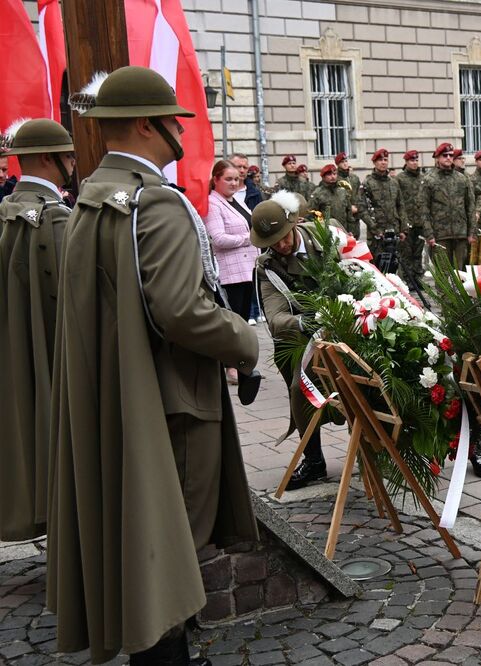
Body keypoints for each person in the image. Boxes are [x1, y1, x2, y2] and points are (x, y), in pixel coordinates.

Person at [48, 65, 259, 664]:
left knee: (142, 540)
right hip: (175, 400)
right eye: (172, 121)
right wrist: (244, 341)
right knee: (173, 549)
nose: (180, 131)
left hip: (126, 394)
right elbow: (181, 311)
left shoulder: (95, 196)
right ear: (146, 124)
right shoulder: (155, 202)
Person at [0, 118, 75, 541]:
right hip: (51, 350)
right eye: (67, 156)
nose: (71, 163)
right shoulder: (54, 218)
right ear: (49, 158)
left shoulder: (7, 211)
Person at [252, 192, 342, 490]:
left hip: (345, 322)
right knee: (300, 391)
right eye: (272, 242)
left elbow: (358, 269)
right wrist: (304, 321)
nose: (280, 245)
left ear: (294, 223)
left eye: (283, 237)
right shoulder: (268, 266)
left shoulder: (326, 237)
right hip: (301, 337)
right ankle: (314, 461)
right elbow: (274, 317)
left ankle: (377, 446)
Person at [204, 158, 259, 386]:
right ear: (216, 180)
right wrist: (250, 239)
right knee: (233, 321)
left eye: (237, 179)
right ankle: (230, 366)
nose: (234, 183)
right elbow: (218, 239)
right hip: (229, 272)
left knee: (243, 320)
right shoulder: (213, 203)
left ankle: (241, 363)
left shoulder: (236, 201)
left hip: (247, 269)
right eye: (228, 179)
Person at [421, 142, 477, 268]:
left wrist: (471, 232)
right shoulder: (429, 179)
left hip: (460, 232)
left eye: (450, 155)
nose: (448, 158)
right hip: (440, 234)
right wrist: (429, 234)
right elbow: (424, 209)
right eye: (444, 155)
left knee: (460, 272)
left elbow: (470, 206)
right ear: (438, 158)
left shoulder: (461, 179)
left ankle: (458, 289)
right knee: (443, 272)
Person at [360, 148, 403, 260]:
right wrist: (375, 228)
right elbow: (362, 209)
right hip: (377, 235)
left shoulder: (393, 183)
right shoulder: (367, 183)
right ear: (374, 163)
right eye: (380, 160)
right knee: (378, 267)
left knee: (394, 266)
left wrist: (403, 228)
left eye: (385, 159)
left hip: (394, 232)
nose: (383, 162)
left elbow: (400, 206)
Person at [397, 150, 425, 288]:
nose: (414, 163)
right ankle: (408, 279)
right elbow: (398, 201)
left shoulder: (423, 177)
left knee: (418, 252)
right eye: (412, 160)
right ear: (406, 162)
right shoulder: (400, 179)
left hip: (420, 221)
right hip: (407, 221)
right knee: (406, 253)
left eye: (416, 160)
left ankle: (418, 278)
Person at [309, 163, 356, 236]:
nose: (333, 177)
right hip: (326, 234)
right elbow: (311, 214)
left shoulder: (342, 191)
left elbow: (349, 213)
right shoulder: (317, 193)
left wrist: (351, 230)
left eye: (334, 174)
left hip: (343, 232)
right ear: (323, 177)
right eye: (329, 175)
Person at [335, 151, 362, 221]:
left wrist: (358, 206)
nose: (345, 164)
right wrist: (349, 207)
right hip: (342, 216)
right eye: (342, 162)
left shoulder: (354, 178)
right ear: (337, 164)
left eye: (346, 161)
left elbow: (359, 193)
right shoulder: (335, 179)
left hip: (355, 216)